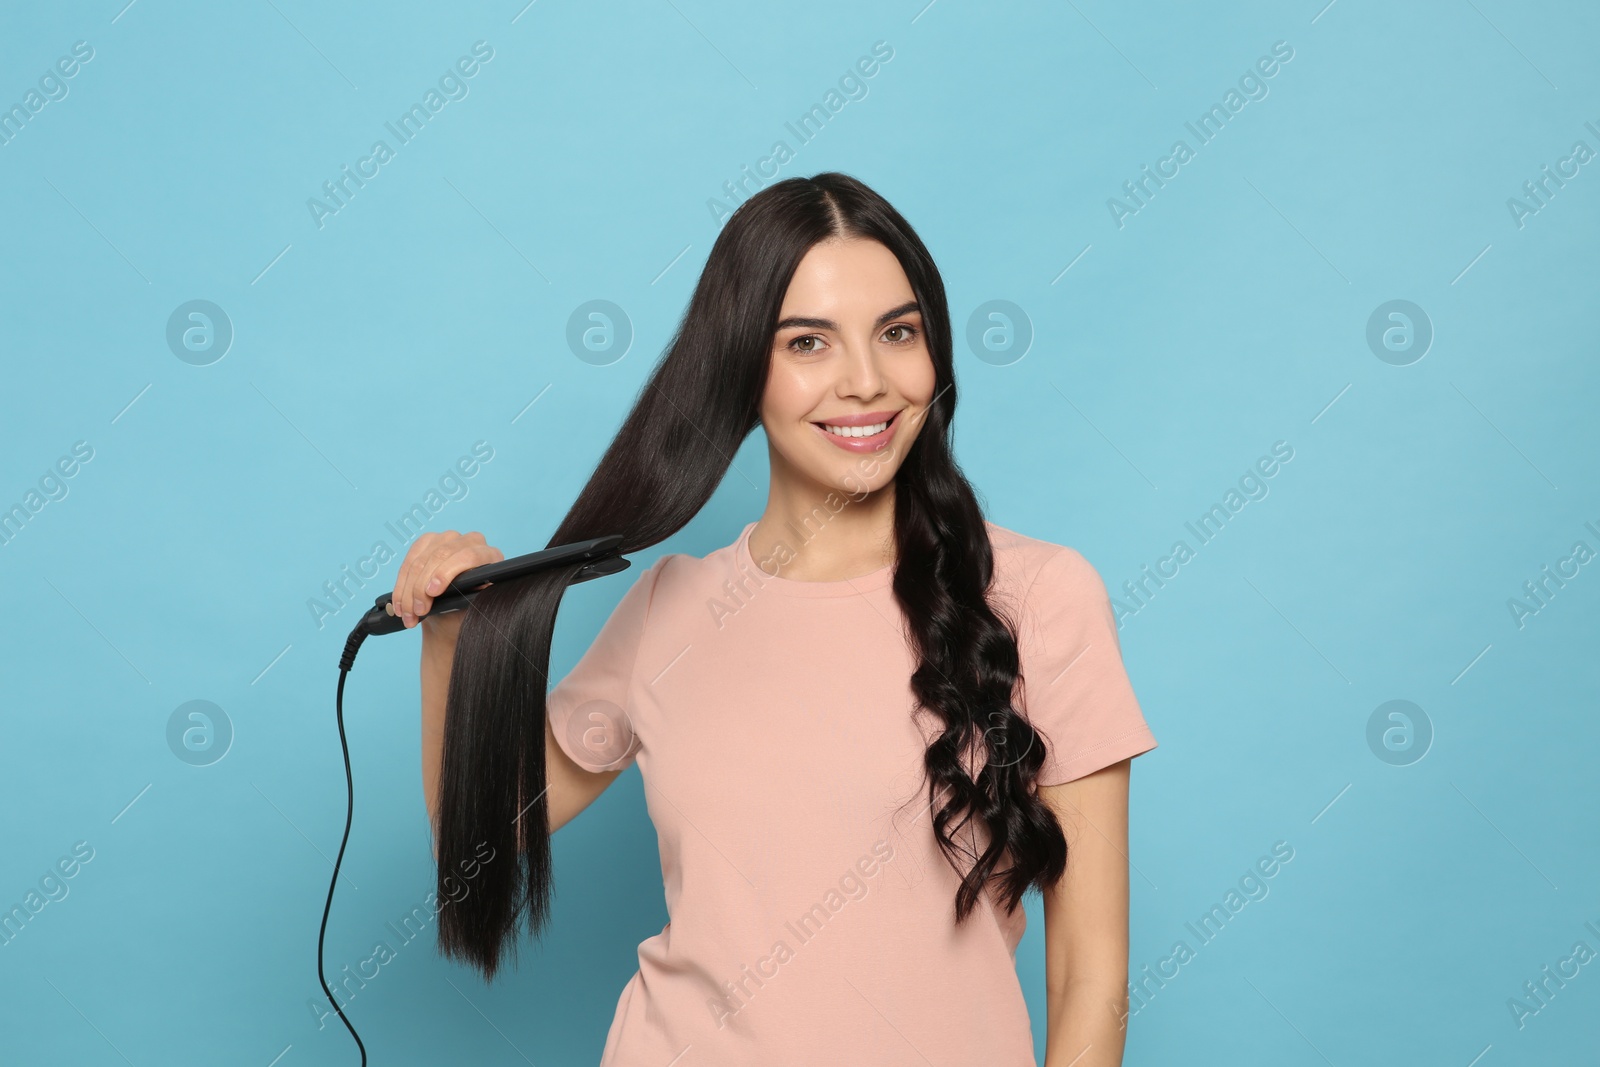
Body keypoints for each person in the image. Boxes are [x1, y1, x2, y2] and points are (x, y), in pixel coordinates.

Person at [389, 172, 1157, 1066]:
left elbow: (1091, 976)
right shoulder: (670, 606)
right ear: (740, 370)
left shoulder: (1043, 596)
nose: (865, 381)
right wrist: (453, 630)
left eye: (897, 333)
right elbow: (480, 837)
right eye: (808, 342)